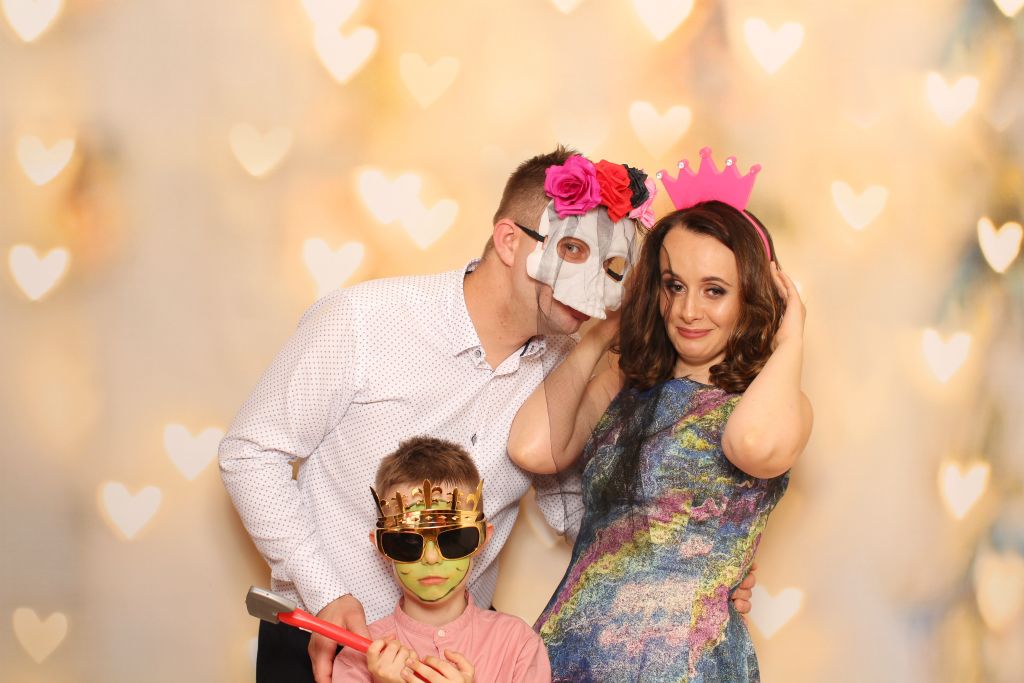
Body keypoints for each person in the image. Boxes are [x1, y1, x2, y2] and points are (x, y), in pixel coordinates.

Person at [218, 148, 757, 683]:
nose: (594, 285)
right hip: (331, 638)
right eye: (572, 250)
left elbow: (576, 508)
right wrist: (326, 593)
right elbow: (250, 453)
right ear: (508, 241)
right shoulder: (362, 321)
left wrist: (694, 564)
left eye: (611, 268)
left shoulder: (566, 367)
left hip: (460, 661)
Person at [508, 148, 812, 681]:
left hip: (683, 667)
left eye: (715, 290)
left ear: (754, 295)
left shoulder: (773, 400)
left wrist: (791, 339)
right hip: (567, 654)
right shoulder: (627, 382)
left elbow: (753, 446)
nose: (688, 310)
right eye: (674, 285)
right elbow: (533, 448)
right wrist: (603, 333)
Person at [331, 436, 551, 683]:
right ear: (382, 546)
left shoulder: (518, 645)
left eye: (452, 538)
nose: (431, 558)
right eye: (408, 541)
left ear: (482, 538)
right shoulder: (359, 657)